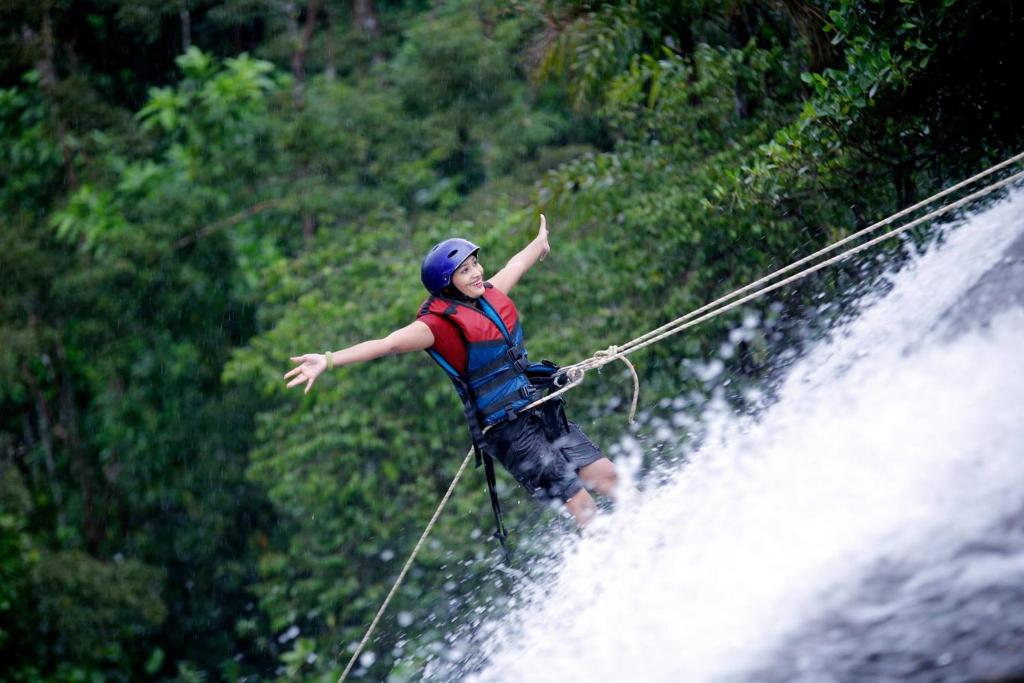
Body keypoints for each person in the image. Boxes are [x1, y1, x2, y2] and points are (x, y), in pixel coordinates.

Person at [284, 215, 618, 527]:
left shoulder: (487, 296)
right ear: (447, 284)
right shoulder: (435, 327)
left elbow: (516, 264)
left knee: (608, 477)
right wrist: (328, 360)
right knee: (582, 504)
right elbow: (387, 343)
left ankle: (652, 531)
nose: (476, 273)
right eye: (465, 271)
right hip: (510, 433)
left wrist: (539, 242)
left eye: (475, 265)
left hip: (535, 410)